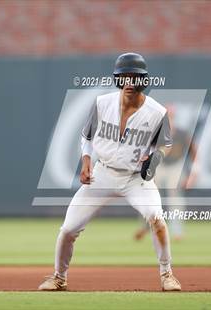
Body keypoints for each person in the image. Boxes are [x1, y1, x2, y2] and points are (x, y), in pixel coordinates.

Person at [38, 52, 181, 291]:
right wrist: (85, 160)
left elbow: (165, 144)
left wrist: (156, 157)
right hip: (102, 174)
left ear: (143, 80)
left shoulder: (157, 113)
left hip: (136, 178)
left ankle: (167, 274)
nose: (128, 82)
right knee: (68, 229)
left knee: (156, 219)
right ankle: (59, 277)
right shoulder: (102, 103)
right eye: (123, 77)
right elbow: (86, 136)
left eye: (133, 77)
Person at [134, 105, 198, 241]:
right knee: (149, 196)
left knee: (175, 199)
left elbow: (194, 152)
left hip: (176, 166)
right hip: (159, 165)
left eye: (170, 115)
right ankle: (146, 226)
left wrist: (194, 173)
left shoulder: (182, 133)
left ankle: (177, 231)